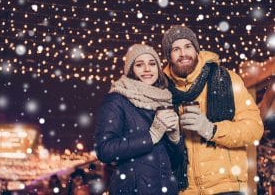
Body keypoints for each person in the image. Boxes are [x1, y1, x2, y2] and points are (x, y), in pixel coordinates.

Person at [162, 25, 264, 195]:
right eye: (175, 49)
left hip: (227, 186)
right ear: (168, 56)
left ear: (196, 49)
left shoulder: (227, 79)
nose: (183, 54)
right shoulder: (162, 91)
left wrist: (212, 130)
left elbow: (254, 129)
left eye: (188, 46)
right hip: (184, 190)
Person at [95, 44, 185, 195]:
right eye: (139, 65)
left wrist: (175, 138)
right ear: (131, 70)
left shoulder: (165, 101)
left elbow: (174, 161)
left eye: (152, 64)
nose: (147, 69)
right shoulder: (117, 99)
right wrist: (150, 136)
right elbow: (104, 150)